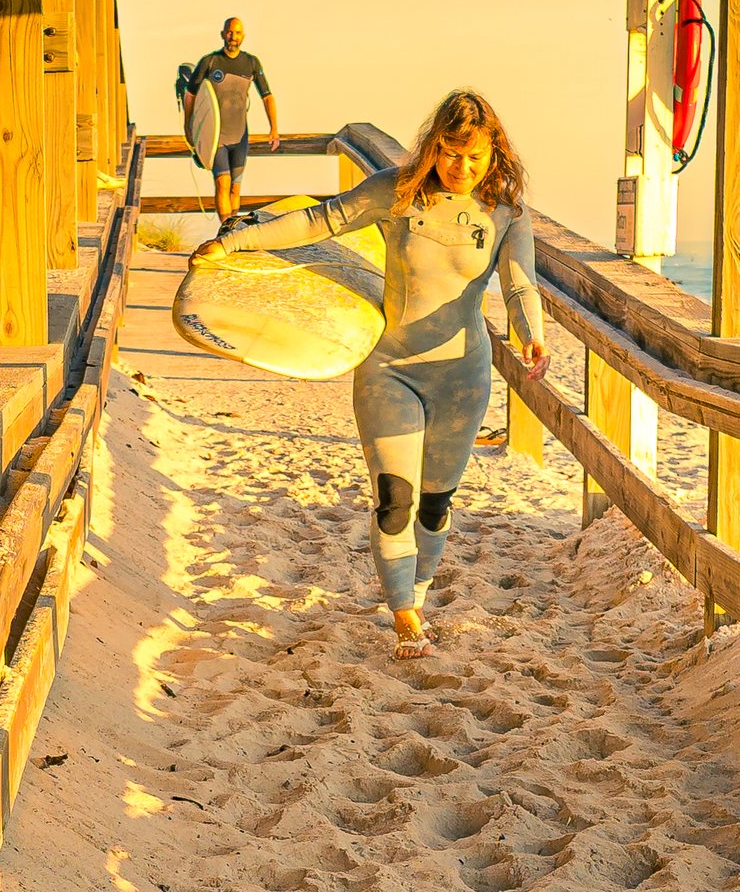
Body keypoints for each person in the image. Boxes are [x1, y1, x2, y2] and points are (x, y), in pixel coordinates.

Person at [193, 89, 549, 659]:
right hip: (390, 370)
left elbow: (520, 285)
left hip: (463, 375)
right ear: (433, 147)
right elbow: (320, 221)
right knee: (394, 496)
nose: (460, 168)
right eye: (450, 153)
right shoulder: (396, 191)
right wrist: (236, 238)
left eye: (474, 158)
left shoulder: (505, 211)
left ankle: (419, 592)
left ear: (493, 156)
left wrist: (531, 332)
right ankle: (404, 612)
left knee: (436, 502)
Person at [179, 16, 280, 225]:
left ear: (244, 36)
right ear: (223, 34)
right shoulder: (210, 62)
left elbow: (267, 96)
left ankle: (233, 226)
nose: (233, 37)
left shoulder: (251, 63)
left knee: (236, 186)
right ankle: (225, 228)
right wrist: (188, 126)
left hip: (240, 136)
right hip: (217, 137)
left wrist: (274, 129)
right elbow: (191, 95)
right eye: (230, 32)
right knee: (222, 183)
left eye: (238, 32)